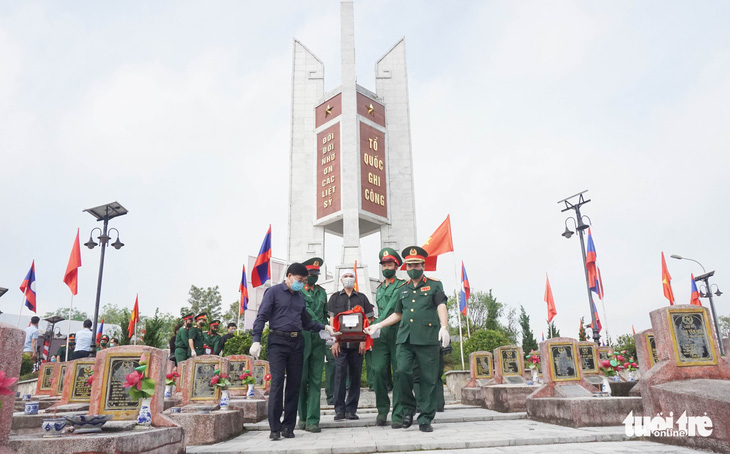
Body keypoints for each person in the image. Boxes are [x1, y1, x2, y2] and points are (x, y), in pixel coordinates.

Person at [365, 246, 450, 433]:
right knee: (402, 372)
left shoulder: (435, 284)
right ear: (406, 266)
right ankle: (408, 409)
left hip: (427, 339)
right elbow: (397, 313)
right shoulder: (403, 289)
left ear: (422, 265)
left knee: (428, 379)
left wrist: (444, 327)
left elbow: (441, 305)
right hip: (405, 339)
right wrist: (378, 325)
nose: (413, 268)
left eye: (416, 264)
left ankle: (426, 417)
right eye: (409, 264)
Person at [250, 262, 338, 440]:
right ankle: (275, 428)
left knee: (294, 384)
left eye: (304, 281)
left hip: (297, 341)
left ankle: (288, 427)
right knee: (277, 385)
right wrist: (256, 340)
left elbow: (307, 322)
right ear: (289, 276)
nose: (302, 283)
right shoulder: (273, 292)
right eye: (299, 279)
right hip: (277, 342)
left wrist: (325, 327)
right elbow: (261, 317)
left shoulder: (299, 297)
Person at [328, 268, 374, 421]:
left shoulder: (362, 298)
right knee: (339, 377)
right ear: (341, 280)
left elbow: (369, 321)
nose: (348, 278)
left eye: (350, 276)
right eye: (345, 276)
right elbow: (331, 321)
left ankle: (351, 410)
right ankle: (339, 410)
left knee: (355, 377)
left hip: (357, 346)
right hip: (340, 345)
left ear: (355, 280)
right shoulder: (335, 298)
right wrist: (334, 341)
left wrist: (363, 340)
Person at [371, 248, 406, 427]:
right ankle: (382, 410)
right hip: (381, 335)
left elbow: (392, 308)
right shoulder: (378, 288)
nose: (386, 267)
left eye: (390, 264)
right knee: (377, 371)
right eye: (384, 265)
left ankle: (398, 413)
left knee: (399, 372)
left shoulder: (401, 285)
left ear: (396, 266)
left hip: (398, 333)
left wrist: (377, 323)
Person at [297, 257, 328, 433]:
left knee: (316, 380)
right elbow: (305, 313)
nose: (314, 276)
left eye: (316, 273)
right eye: (311, 273)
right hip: (302, 337)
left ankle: (313, 420)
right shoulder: (298, 291)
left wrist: (330, 331)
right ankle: (302, 417)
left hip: (318, 339)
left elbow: (325, 314)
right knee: (301, 379)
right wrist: (321, 324)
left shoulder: (323, 292)